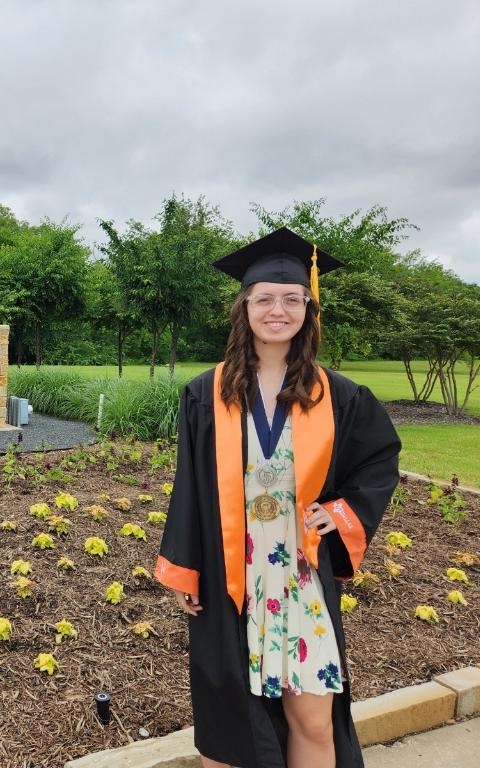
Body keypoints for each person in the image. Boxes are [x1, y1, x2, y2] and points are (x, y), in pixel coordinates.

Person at [154, 227, 401, 768]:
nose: (278, 310)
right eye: (264, 298)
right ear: (244, 307)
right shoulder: (205, 393)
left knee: (313, 717)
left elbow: (379, 460)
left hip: (299, 574)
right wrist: (184, 570)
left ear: (308, 309)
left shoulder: (338, 394)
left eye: (292, 299)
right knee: (227, 724)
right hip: (230, 576)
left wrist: (339, 513)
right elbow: (189, 488)